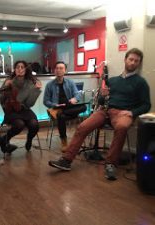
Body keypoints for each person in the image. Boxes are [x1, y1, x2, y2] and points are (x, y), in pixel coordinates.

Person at [48, 48, 151, 180]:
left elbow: (146, 105)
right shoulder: (113, 81)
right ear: (125, 60)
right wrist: (102, 96)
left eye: (136, 61)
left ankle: (110, 164)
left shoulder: (141, 83)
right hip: (106, 110)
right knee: (82, 127)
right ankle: (66, 160)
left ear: (139, 64)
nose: (133, 63)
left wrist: (132, 112)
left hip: (123, 113)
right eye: (131, 59)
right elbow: (102, 100)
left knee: (122, 127)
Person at [0, 60, 42, 151]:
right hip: (11, 110)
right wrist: (4, 89)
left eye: (22, 67)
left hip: (24, 110)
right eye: (18, 67)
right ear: (15, 69)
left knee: (34, 125)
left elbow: (30, 104)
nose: (20, 69)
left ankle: (29, 140)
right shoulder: (9, 80)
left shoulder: (30, 82)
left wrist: (36, 91)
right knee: (19, 124)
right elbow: (0, 98)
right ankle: (6, 138)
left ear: (26, 70)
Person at [43, 61, 86, 151]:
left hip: (68, 107)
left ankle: (61, 112)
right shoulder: (49, 85)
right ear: (54, 71)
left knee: (84, 107)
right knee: (61, 117)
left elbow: (77, 94)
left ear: (65, 71)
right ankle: (64, 141)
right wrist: (55, 105)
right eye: (57, 68)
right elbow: (45, 101)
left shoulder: (70, 82)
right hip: (57, 108)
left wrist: (75, 99)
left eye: (61, 68)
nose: (58, 70)